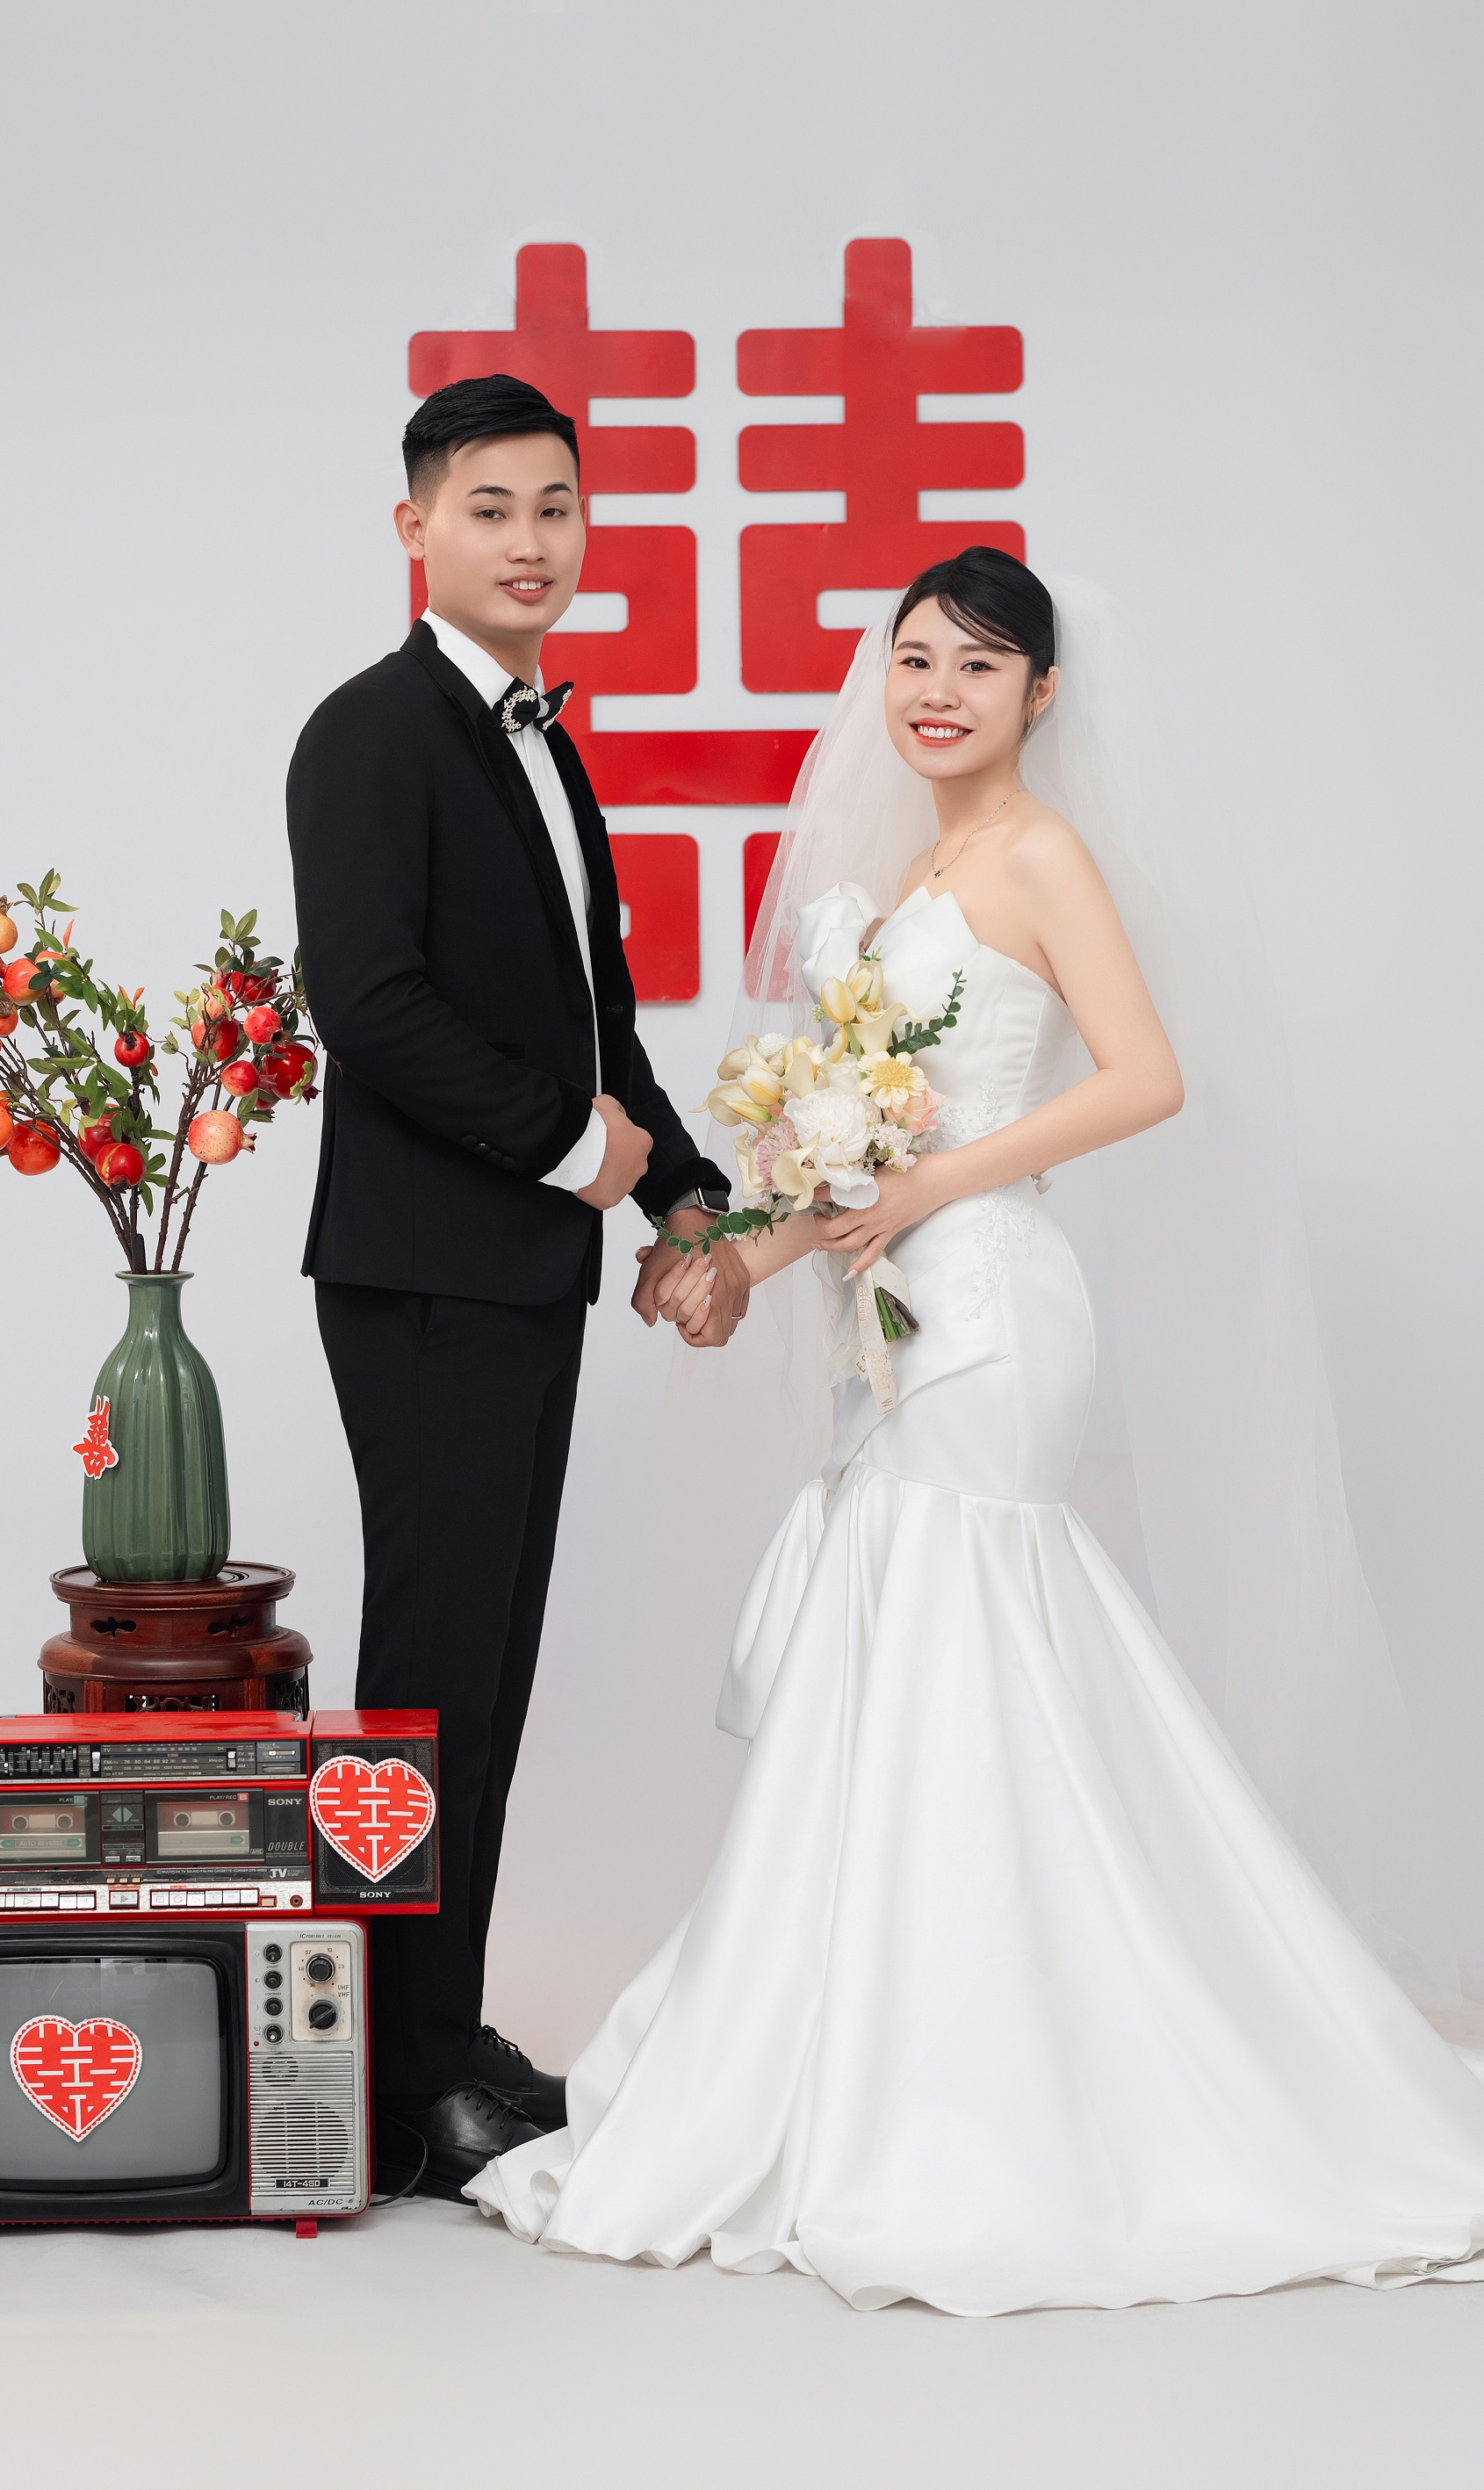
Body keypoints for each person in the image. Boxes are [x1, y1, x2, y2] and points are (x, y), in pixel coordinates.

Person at [466, 548, 1484, 2311]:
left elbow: (1143, 1074)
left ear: (1040, 696)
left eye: (978, 666)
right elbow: (858, 1159)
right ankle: (882, 2053)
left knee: (969, 1637)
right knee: (904, 1657)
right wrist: (734, 1255)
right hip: (894, 1307)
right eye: (914, 658)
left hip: (993, 1305)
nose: (936, 692)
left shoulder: (1035, 856)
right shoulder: (909, 874)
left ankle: (995, 2089)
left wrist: (935, 1182)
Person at [287, 374, 748, 2200]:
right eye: (489, 507)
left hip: (515, 1272)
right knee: (427, 1687)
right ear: (413, 528)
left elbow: (598, 1025)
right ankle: (398, 2082)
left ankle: (437, 2030)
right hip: (421, 1273)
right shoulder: (367, 731)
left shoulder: (546, 743)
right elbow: (368, 1004)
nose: (529, 539)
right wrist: (575, 1151)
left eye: (555, 505)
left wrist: (685, 1196)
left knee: (481, 1681)